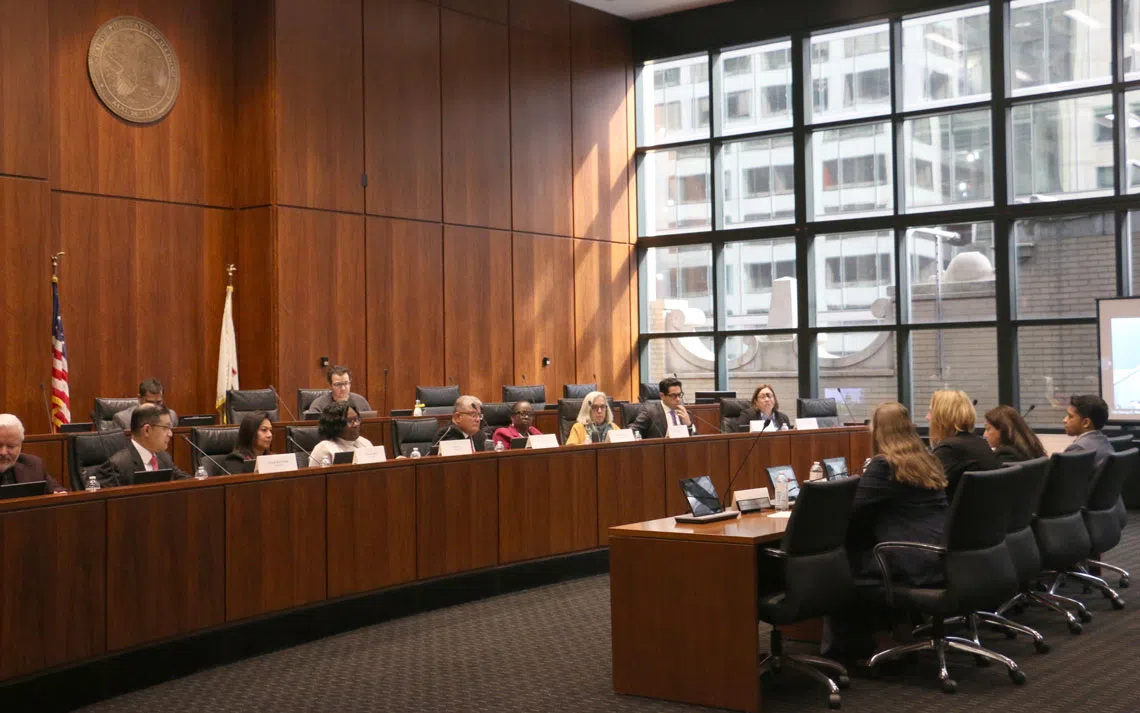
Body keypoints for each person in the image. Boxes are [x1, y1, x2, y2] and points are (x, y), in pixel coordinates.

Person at [828, 402, 949, 661]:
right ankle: (902, 630)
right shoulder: (929, 459)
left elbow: (852, 511)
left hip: (909, 559)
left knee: (841, 563)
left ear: (878, 432)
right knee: (865, 548)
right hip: (940, 555)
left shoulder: (885, 465)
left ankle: (876, 642)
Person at [928, 389, 998, 499]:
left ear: (942, 417)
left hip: (954, 514)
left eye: (931, 412)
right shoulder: (980, 443)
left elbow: (926, 490)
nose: (927, 417)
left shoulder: (949, 449)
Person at [97, 405, 189, 487]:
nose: (170, 434)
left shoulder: (164, 458)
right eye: (165, 428)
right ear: (147, 430)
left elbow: (189, 482)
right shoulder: (116, 467)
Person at [0, 414, 65, 493]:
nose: (3, 452)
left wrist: (58, 495)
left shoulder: (32, 465)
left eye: (11, 446)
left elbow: (58, 491)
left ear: (20, 446)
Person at [309, 402, 374, 467]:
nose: (356, 424)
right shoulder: (323, 449)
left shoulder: (365, 442)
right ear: (336, 426)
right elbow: (315, 476)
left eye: (356, 419)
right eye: (349, 421)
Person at [631, 377, 696, 439]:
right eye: (673, 396)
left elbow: (697, 439)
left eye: (679, 395)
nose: (678, 399)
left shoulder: (685, 413)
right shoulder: (650, 412)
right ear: (662, 396)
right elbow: (633, 431)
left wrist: (688, 425)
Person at [1063, 394, 1114, 473]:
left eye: (1070, 416)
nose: (1064, 420)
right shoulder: (1104, 442)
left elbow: (1059, 481)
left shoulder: (1078, 448)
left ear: (1086, 423)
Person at [112, 378, 179, 431]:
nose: (154, 406)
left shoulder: (171, 416)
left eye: (159, 402)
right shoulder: (122, 419)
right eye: (150, 402)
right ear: (139, 398)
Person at [306, 366, 372, 416]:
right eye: (338, 384)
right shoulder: (319, 405)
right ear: (330, 385)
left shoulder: (361, 401)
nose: (343, 388)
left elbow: (371, 425)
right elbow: (312, 430)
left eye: (346, 383)